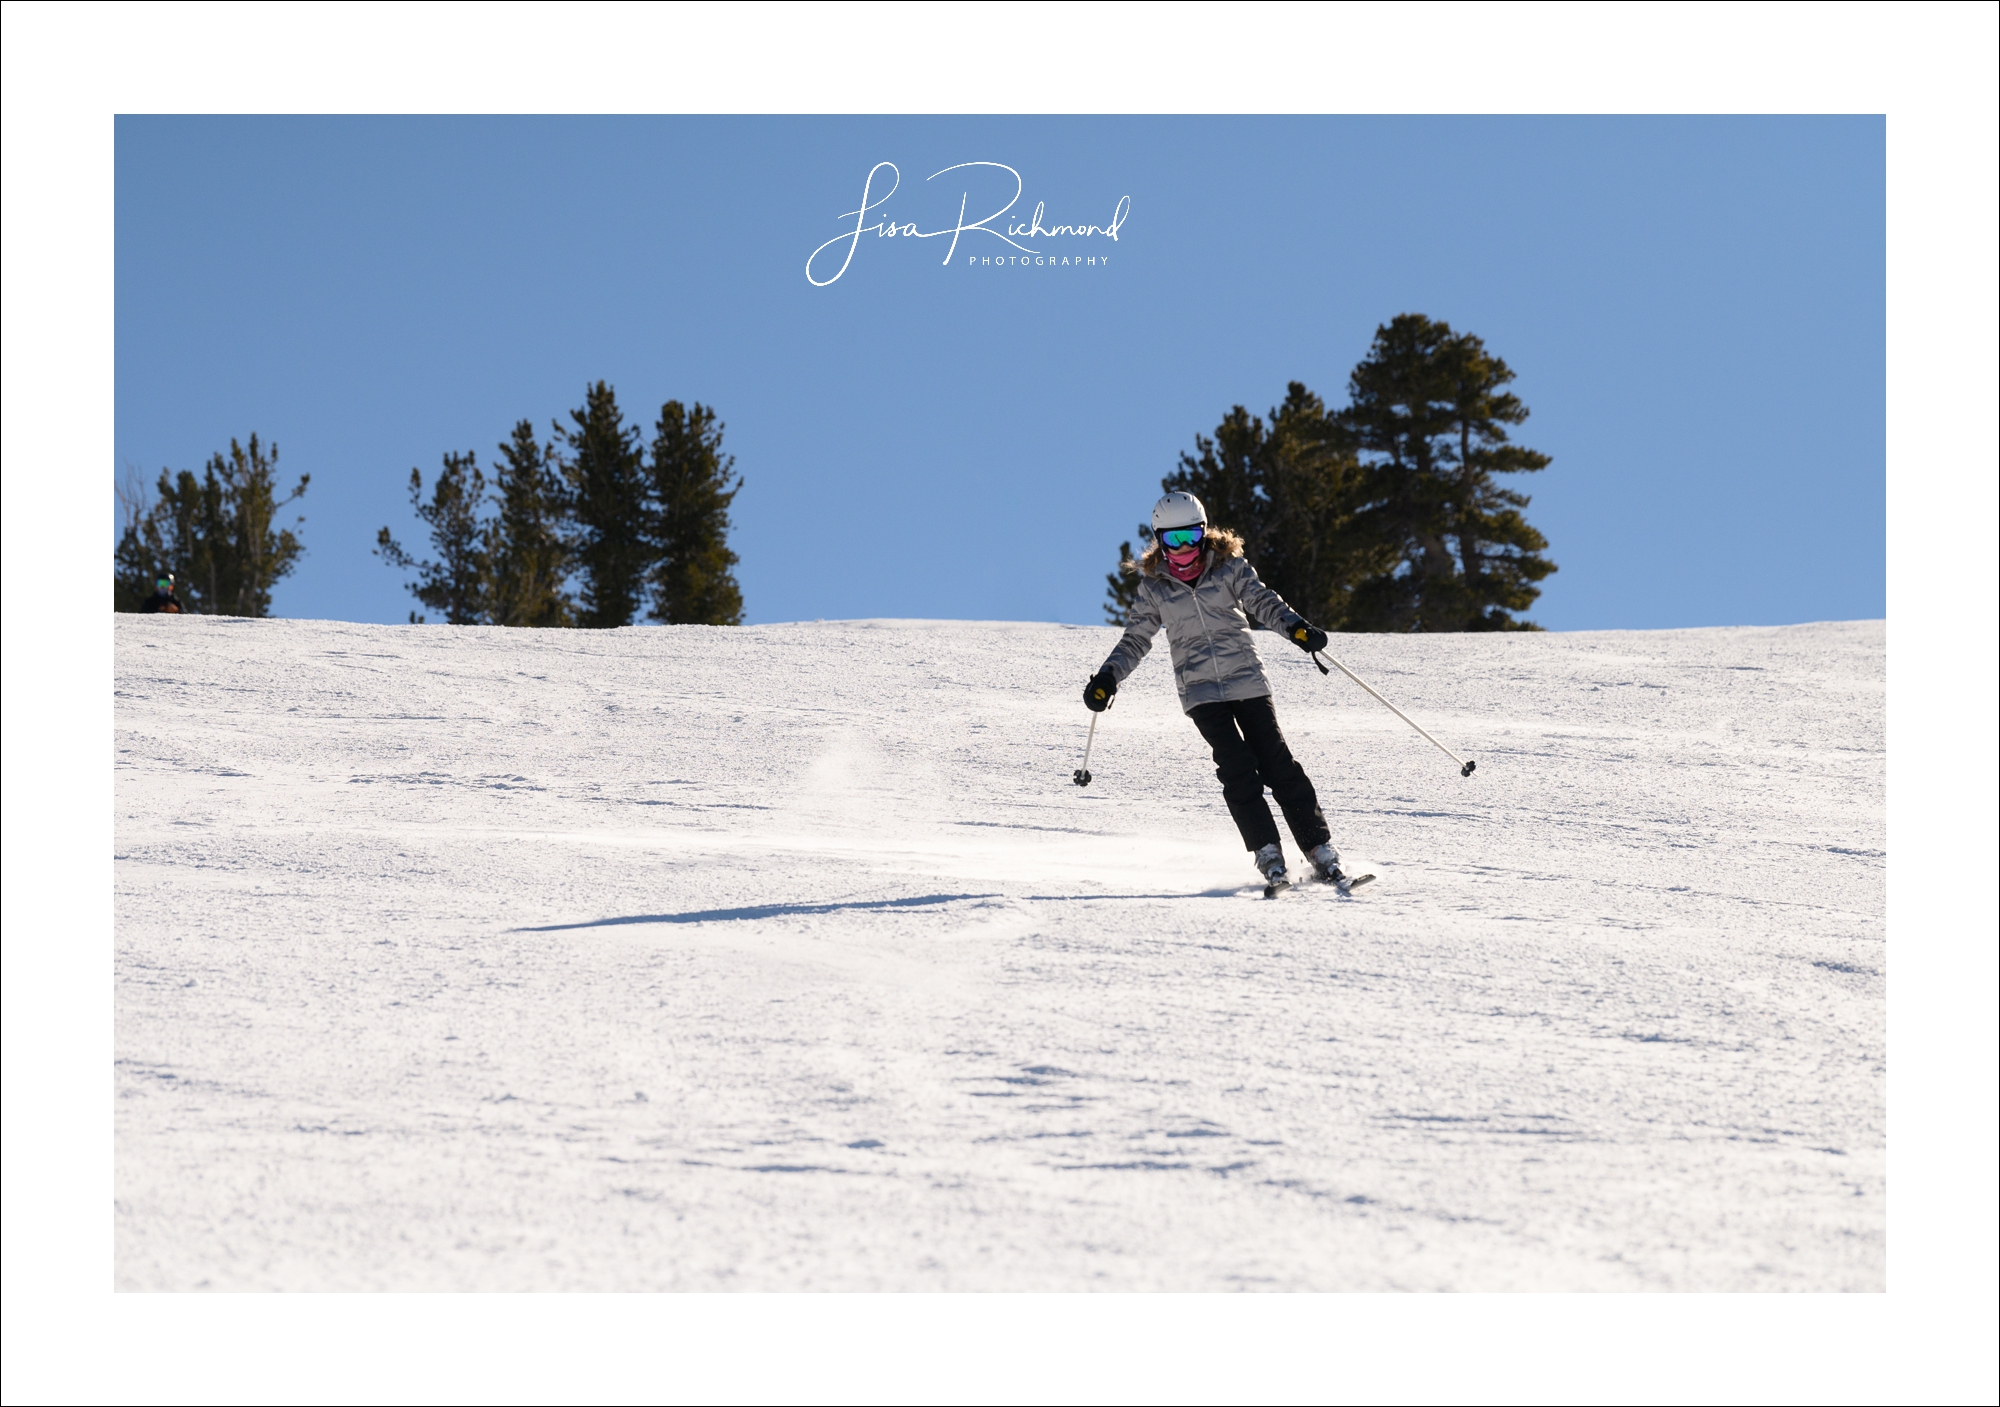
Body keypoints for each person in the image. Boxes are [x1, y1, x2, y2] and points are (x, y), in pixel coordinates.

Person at [1085, 491, 1352, 894]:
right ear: (1160, 540)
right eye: (1172, 541)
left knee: (1277, 762)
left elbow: (1263, 602)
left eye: (1191, 536)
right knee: (1236, 768)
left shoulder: (1228, 567)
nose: (1184, 548)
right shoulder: (1155, 587)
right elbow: (1136, 639)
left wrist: (1296, 628)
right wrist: (1108, 677)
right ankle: (1268, 854)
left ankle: (1320, 848)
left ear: (1204, 531)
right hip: (1201, 691)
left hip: (1246, 678)